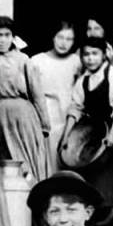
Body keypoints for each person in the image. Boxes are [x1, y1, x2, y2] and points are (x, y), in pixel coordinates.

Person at [0, 15, 52, 182]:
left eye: (7, 35)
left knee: (29, 162)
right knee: (9, 164)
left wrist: (44, 123)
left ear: (12, 37)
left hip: (25, 116)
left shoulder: (22, 59)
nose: (2, 40)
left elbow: (37, 92)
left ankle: (34, 197)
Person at [60, 36, 113, 226]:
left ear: (103, 55)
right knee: (89, 172)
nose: (90, 59)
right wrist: (66, 137)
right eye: (87, 55)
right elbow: (75, 109)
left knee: (110, 175)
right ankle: (97, 213)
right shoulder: (83, 80)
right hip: (92, 133)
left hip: (112, 131)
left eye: (94, 54)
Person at [31, 22, 83, 173]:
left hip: (69, 119)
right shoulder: (37, 61)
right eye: (60, 37)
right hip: (46, 117)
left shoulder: (76, 61)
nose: (64, 43)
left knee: (67, 161)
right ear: (53, 37)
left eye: (69, 39)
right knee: (46, 163)